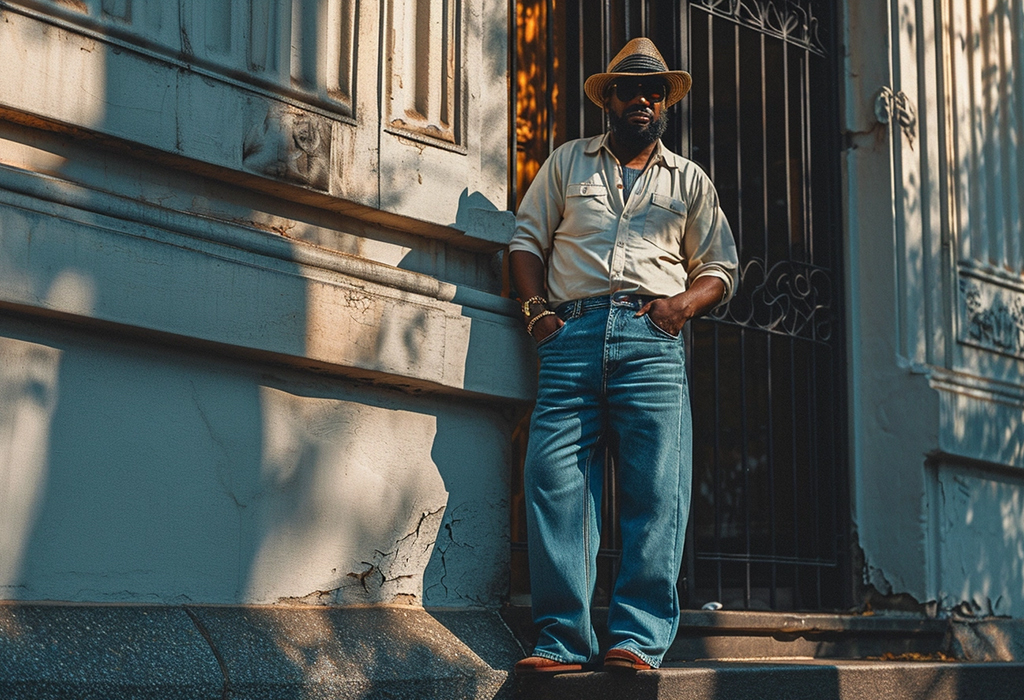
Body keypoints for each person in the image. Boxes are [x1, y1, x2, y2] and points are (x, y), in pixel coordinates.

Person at [509, 37, 738, 674]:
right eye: (631, 89)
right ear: (608, 98)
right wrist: (538, 318)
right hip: (570, 336)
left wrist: (681, 307)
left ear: (666, 104)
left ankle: (635, 640)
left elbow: (721, 266)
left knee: (656, 491)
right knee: (556, 484)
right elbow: (526, 244)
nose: (644, 99)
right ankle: (561, 641)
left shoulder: (689, 180)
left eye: (655, 92)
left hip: (652, 341)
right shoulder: (565, 164)